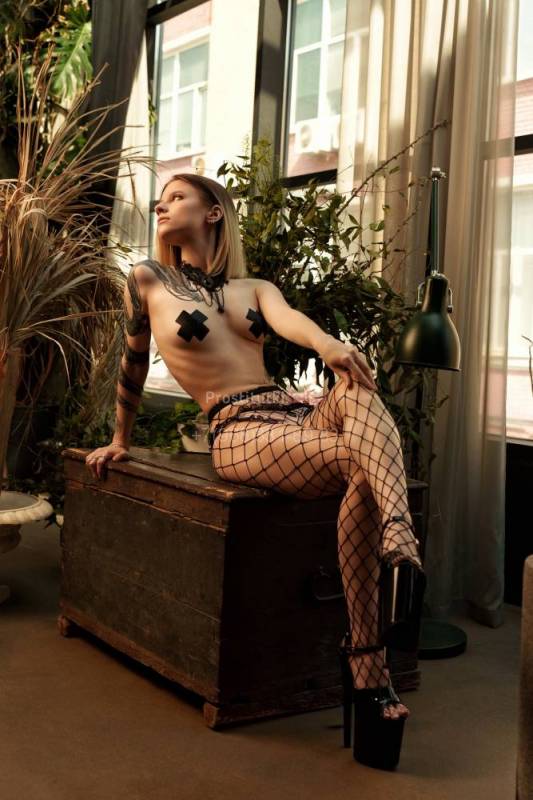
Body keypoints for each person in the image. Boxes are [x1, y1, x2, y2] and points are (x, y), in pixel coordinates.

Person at [85, 173, 425, 769]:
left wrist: (329, 345)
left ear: (214, 212)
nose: (162, 206)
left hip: (293, 414)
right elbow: (132, 360)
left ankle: (390, 562)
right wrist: (119, 440)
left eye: (177, 197)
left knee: (356, 389)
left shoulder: (255, 288)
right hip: (239, 430)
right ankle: (371, 660)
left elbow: (294, 323)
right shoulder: (147, 279)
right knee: (363, 462)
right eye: (160, 201)